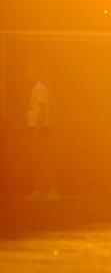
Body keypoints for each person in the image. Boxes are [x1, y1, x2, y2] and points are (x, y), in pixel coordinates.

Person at [26, 58, 57, 199]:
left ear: (35, 71)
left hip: (40, 129)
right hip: (38, 129)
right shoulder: (38, 87)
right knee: (37, 162)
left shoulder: (40, 88)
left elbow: (41, 112)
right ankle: (37, 190)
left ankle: (52, 191)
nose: (27, 71)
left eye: (30, 68)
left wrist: (35, 134)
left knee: (43, 161)